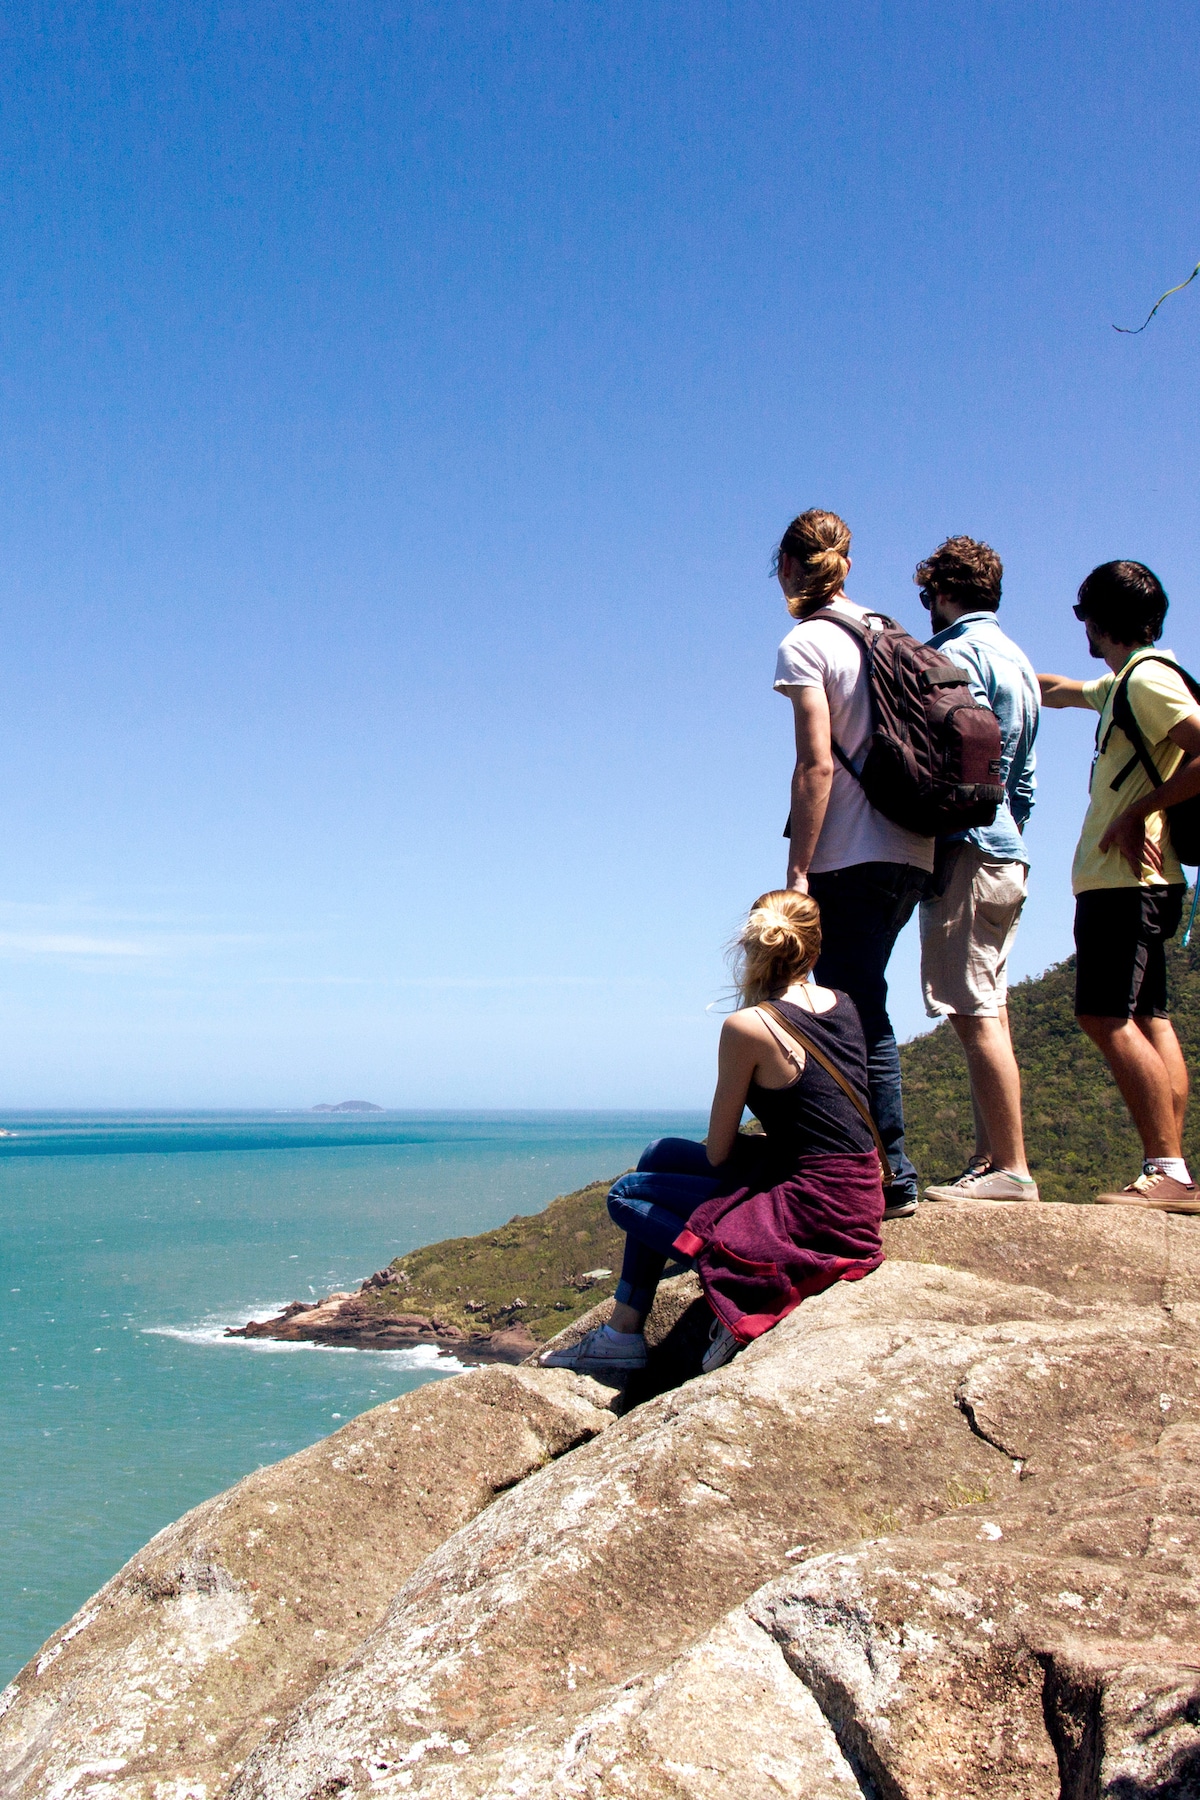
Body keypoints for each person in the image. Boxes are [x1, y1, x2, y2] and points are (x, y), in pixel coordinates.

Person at [541, 891, 886, 1376]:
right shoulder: (843, 1004)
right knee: (656, 1152)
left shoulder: (748, 1026)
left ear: (752, 947)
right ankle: (623, 1332)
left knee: (626, 1195)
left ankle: (742, 1280)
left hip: (814, 1206)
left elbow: (719, 1152)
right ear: (813, 947)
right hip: (854, 1186)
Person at [772, 508, 934, 1216]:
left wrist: (797, 871)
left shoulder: (807, 642)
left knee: (854, 1008)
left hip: (851, 855)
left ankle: (888, 1174)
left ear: (786, 568)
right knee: (862, 997)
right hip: (916, 846)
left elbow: (815, 765)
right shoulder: (889, 630)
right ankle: (874, 1166)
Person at [1039, 561, 1200, 1211]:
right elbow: (1062, 690)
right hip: (1139, 881)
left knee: (1104, 1015)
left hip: (1123, 883)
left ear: (1097, 620)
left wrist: (1138, 810)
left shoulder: (1149, 681)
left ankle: (1168, 1168)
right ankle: (1171, 1171)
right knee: (1146, 1017)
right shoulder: (1123, 684)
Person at [913, 537, 1041, 1203]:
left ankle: (1011, 1170)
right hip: (1008, 850)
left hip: (967, 848)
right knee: (991, 1003)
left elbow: (942, 762)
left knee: (972, 1009)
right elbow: (1025, 784)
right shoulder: (1018, 660)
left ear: (940, 592)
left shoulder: (953, 655)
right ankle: (993, 1158)